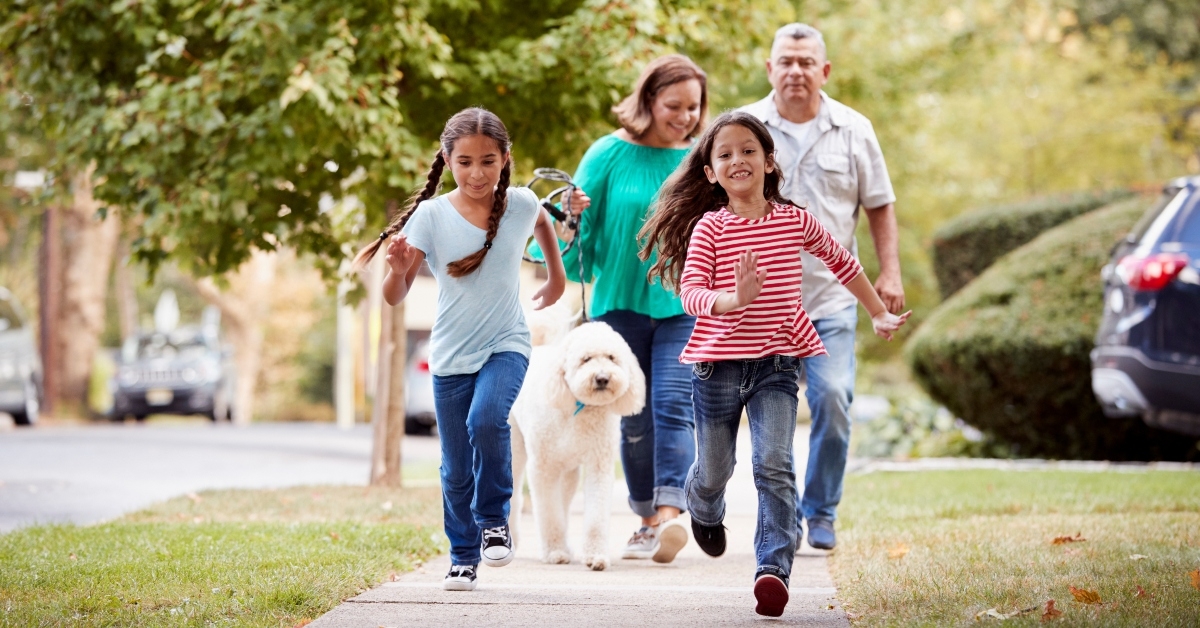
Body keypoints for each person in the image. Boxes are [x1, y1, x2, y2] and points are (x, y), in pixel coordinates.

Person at [638, 111, 908, 617]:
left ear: (767, 161)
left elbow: (843, 261)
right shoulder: (710, 228)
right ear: (711, 173)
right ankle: (704, 507)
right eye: (725, 154)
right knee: (715, 468)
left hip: (777, 365)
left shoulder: (793, 219)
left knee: (774, 464)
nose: (737, 159)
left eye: (748, 150)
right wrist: (732, 299)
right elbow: (692, 292)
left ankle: (772, 570)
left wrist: (876, 312)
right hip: (717, 366)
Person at [353, 107, 567, 592]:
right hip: (449, 354)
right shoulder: (431, 216)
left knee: (486, 420)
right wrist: (397, 268)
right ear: (447, 159)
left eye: (488, 161)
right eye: (465, 161)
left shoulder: (521, 203)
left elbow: (543, 225)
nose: (477, 173)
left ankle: (495, 521)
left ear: (505, 158)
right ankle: (463, 556)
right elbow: (394, 296)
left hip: (506, 343)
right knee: (454, 466)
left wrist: (556, 276)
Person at [741, 23, 905, 551]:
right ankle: (781, 519)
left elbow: (879, 203)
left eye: (806, 61)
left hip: (834, 297)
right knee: (769, 419)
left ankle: (822, 510)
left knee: (833, 398)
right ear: (770, 69)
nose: (795, 70)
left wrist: (890, 272)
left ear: (824, 70)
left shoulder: (855, 129)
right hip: (764, 305)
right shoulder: (746, 130)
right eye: (785, 61)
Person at [559, 54, 708, 563]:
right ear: (648, 100)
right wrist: (569, 218)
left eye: (694, 107)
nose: (686, 117)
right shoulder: (606, 154)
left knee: (673, 405)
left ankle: (670, 515)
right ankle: (644, 517)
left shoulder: (698, 161)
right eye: (675, 105)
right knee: (635, 417)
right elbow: (573, 236)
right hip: (618, 305)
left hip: (681, 304)